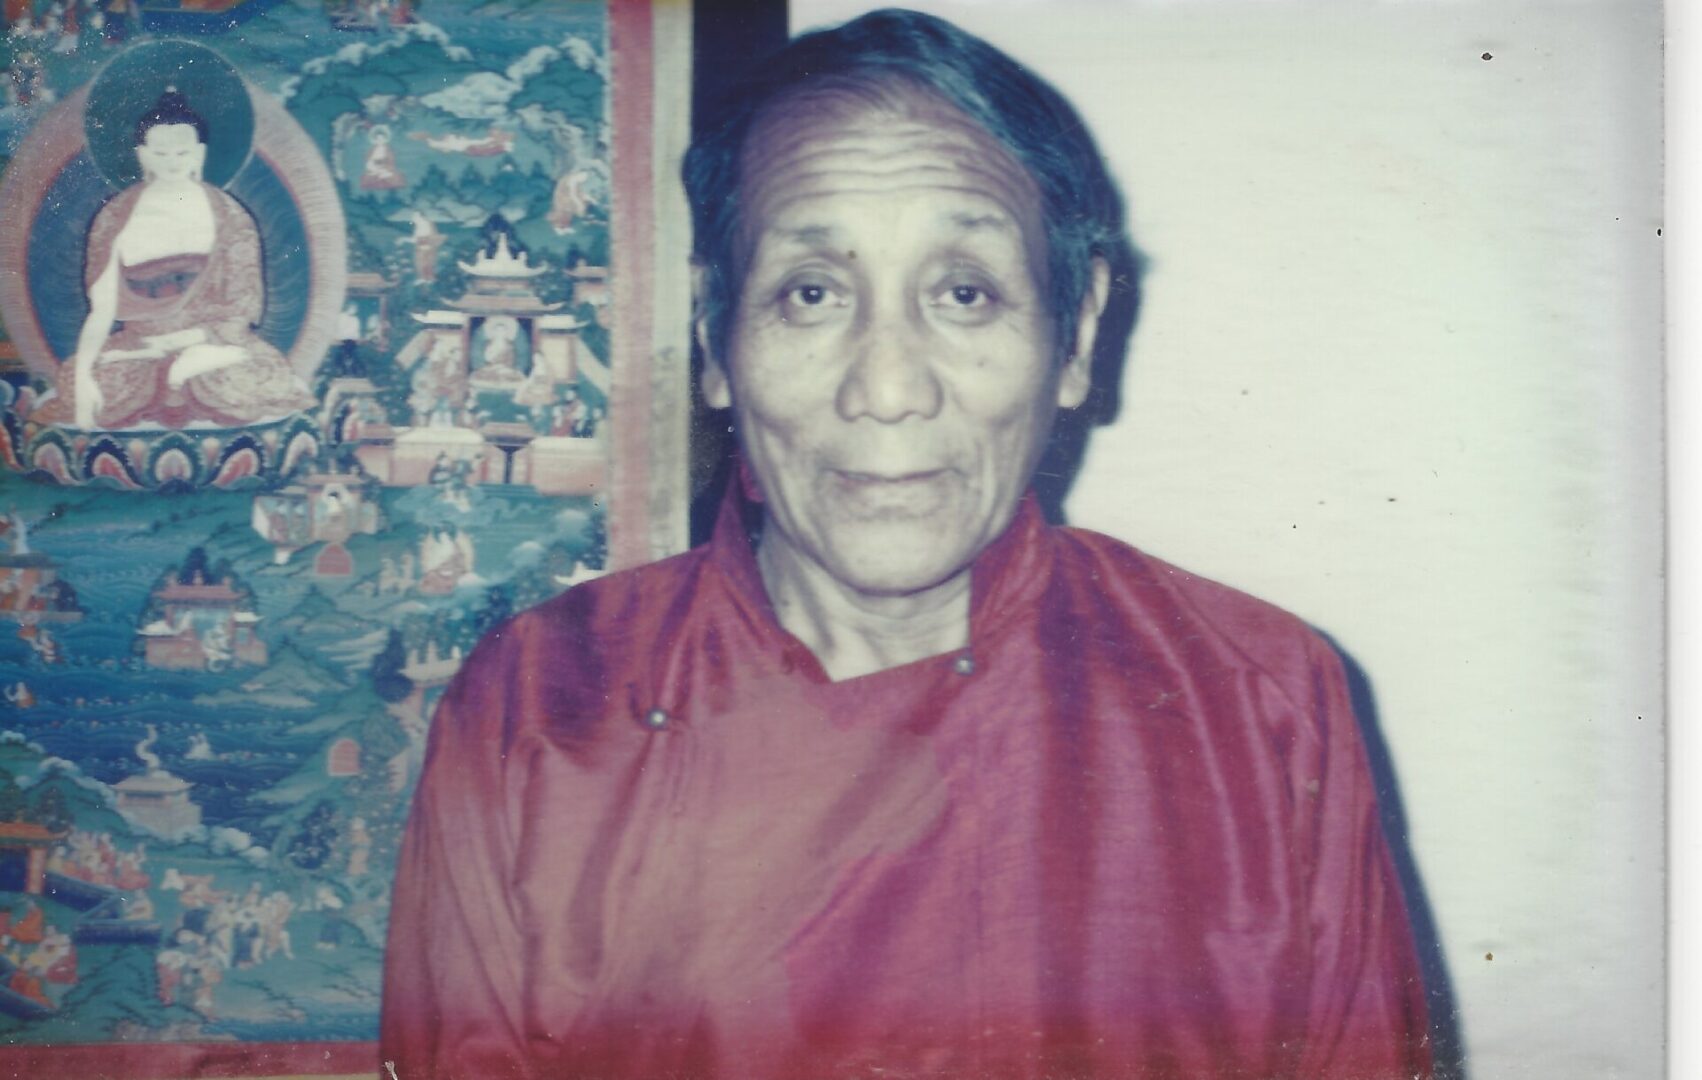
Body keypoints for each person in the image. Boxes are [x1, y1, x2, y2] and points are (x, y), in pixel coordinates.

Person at [382, 10, 1433, 1079]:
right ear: (713, 337)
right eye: (811, 293)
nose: (886, 388)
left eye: (963, 293)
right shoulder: (541, 710)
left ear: (1074, 334)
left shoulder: (1255, 707)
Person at [32, 87, 315, 430]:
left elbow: (241, 307)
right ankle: (176, 375)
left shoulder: (228, 215)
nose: (172, 162)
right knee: (85, 382)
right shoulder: (116, 218)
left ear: (199, 154)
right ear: (143, 155)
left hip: (213, 345)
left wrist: (188, 342)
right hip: (141, 346)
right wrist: (84, 375)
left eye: (182, 152)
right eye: (161, 153)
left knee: (252, 376)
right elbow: (102, 311)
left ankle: (186, 370)